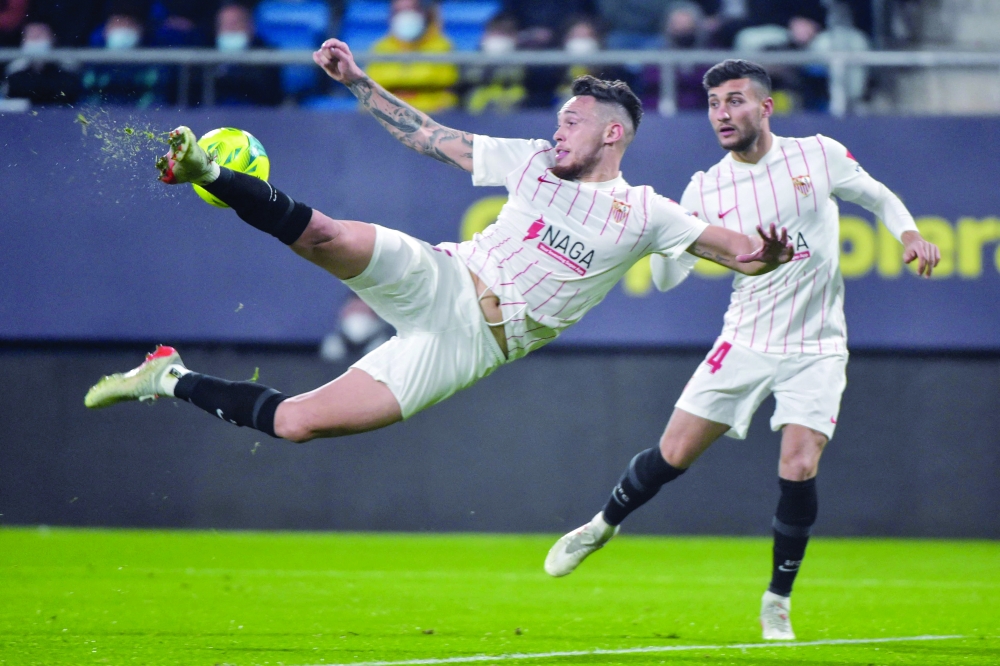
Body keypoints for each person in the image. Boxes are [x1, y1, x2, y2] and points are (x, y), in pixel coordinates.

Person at [84, 43, 794, 457]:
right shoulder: (530, 161)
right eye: (558, 118)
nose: (559, 130)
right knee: (325, 235)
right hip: (447, 278)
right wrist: (360, 84)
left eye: (572, 122)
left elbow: (741, 254)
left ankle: (166, 378)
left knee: (297, 423)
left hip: (470, 349)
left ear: (613, 135)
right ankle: (208, 172)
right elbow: (429, 136)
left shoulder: (646, 212)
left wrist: (771, 250)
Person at [543, 59, 941, 641]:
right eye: (712, 105)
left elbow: (878, 197)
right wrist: (667, 246)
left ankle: (777, 601)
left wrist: (908, 234)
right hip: (745, 339)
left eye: (733, 101)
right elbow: (665, 280)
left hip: (818, 345)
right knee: (673, 455)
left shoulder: (817, 155)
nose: (721, 114)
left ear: (765, 107)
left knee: (799, 463)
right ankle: (601, 526)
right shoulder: (705, 189)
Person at [367, 0, 459, 113]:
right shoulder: (381, 47)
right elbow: (372, 85)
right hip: (389, 116)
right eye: (398, 11)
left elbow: (446, 81)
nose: (405, 16)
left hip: (431, 115)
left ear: (424, 13)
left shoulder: (441, 46)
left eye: (411, 9)